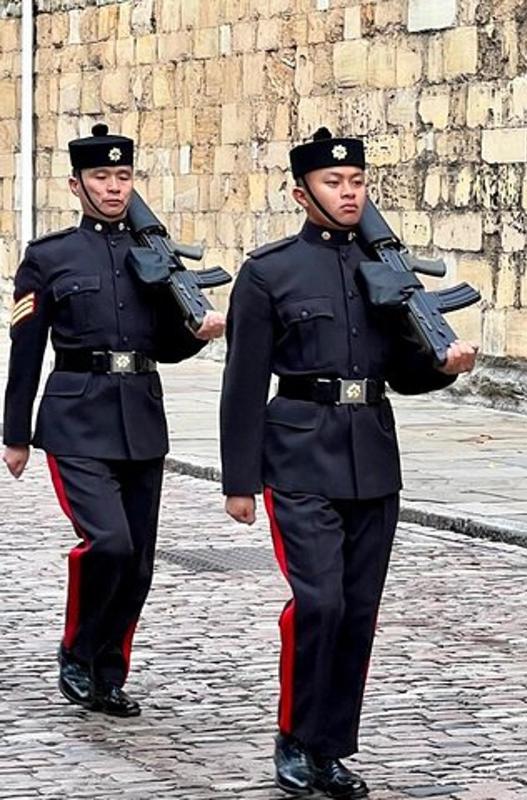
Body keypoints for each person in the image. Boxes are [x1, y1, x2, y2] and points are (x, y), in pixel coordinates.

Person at [220, 128, 477, 797]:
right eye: (334, 184)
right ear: (302, 194)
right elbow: (244, 382)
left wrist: (446, 367)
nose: (348, 193)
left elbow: (405, 372)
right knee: (320, 603)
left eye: (357, 182)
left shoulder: (384, 272)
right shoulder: (268, 273)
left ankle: (330, 748)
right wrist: (239, 481)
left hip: (372, 456)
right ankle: (294, 738)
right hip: (299, 456)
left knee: (358, 610)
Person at [2, 123, 225, 716]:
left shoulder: (155, 255)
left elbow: (166, 345)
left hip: (141, 417)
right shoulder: (48, 258)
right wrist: (15, 433)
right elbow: (26, 349)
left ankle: (108, 673)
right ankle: (76, 650)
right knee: (109, 543)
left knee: (140, 561)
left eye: (123, 176)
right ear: (77, 185)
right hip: (75, 416)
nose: (113, 187)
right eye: (101, 177)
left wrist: (199, 335)